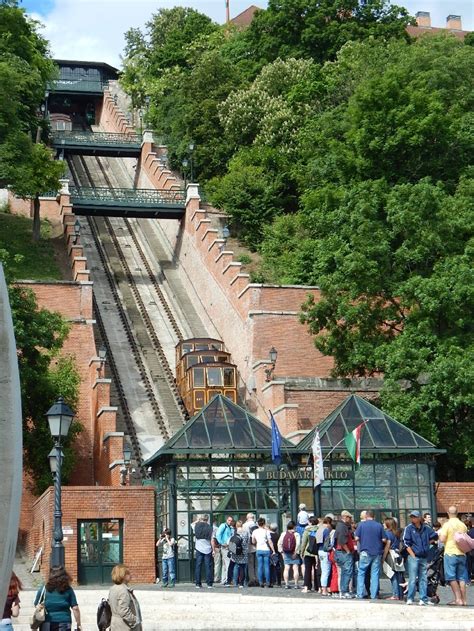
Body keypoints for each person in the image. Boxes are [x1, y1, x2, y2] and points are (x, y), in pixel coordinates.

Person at [403, 509, 437, 605]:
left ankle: (423, 598)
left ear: (419, 518)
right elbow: (406, 543)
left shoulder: (426, 528)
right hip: (415, 556)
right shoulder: (409, 528)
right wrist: (412, 555)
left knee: (423, 578)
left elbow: (434, 536)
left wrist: (427, 544)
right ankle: (410, 598)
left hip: (423, 556)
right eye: (412, 517)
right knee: (413, 578)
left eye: (414, 517)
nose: (412, 518)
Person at [34, 566, 82, 631]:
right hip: (64, 622)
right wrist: (78, 624)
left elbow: (36, 604)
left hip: (46, 622)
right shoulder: (68, 589)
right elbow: (75, 608)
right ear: (65, 577)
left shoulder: (44, 589)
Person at [354, 509, 388, 600]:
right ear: (374, 516)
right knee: (375, 574)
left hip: (365, 551)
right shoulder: (379, 525)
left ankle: (360, 594)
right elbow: (384, 539)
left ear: (366, 516)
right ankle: (374, 595)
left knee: (361, 573)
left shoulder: (361, 525)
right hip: (377, 552)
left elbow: (356, 538)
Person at [438, 505, 468, 606]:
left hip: (450, 552)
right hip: (462, 553)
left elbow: (442, 539)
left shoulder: (447, 525)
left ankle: (458, 599)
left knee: (451, 577)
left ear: (448, 513)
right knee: (462, 578)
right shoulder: (463, 525)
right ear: (457, 513)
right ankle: (464, 600)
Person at [109, 564, 142, 630]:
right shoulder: (123, 590)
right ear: (122, 575)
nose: (130, 575)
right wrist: (135, 620)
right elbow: (123, 611)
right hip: (124, 626)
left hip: (115, 624)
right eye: (128, 573)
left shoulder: (113, 588)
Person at [334, 510, 355, 598]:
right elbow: (342, 541)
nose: (351, 520)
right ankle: (344, 591)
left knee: (343, 572)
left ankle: (343, 591)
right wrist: (348, 551)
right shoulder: (342, 527)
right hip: (343, 553)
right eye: (350, 518)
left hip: (340, 552)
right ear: (345, 517)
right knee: (347, 572)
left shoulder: (340, 526)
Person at [383, 517, 404, 600]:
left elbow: (388, 545)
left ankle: (395, 594)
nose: (383, 524)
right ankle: (399, 594)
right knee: (398, 575)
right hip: (397, 554)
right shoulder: (396, 533)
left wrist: (383, 557)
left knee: (392, 575)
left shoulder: (387, 533)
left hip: (390, 554)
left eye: (384, 523)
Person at [252, 517, 276, 588]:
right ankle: (268, 582)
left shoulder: (255, 531)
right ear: (264, 523)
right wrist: (273, 550)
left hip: (259, 549)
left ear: (258, 524)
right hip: (266, 550)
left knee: (260, 566)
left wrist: (256, 542)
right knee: (266, 566)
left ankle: (261, 582)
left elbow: (253, 541)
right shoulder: (266, 531)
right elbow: (270, 542)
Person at [277, 520, 301, 589]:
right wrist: (295, 552)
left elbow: (279, 543)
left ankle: (287, 584)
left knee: (286, 568)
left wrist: (282, 553)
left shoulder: (283, 533)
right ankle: (296, 584)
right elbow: (298, 544)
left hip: (286, 553)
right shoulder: (296, 534)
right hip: (294, 553)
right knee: (295, 568)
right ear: (294, 527)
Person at [192, 515, 214, 589]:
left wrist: (198, 520)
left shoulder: (196, 526)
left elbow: (191, 524)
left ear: (201, 519)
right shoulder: (210, 528)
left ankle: (198, 584)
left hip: (199, 548)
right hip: (207, 549)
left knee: (198, 566)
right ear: (207, 519)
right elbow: (212, 540)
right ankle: (209, 584)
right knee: (208, 566)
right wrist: (213, 550)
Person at [300, 516, 320, 593]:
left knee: (307, 570)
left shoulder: (307, 530)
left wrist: (302, 552)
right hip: (316, 553)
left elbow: (304, 542)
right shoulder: (319, 530)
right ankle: (317, 587)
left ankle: (307, 587)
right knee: (316, 570)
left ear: (310, 522)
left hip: (308, 552)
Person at [228, 521, 249, 588]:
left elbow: (230, 542)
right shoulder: (246, 533)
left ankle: (234, 581)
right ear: (242, 525)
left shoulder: (234, 532)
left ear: (236, 526)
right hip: (243, 552)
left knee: (234, 566)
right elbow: (248, 541)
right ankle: (241, 583)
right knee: (242, 568)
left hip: (235, 552)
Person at [214, 516, 235, 585]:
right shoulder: (223, 526)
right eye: (229, 520)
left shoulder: (231, 528)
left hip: (230, 546)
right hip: (225, 547)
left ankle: (224, 580)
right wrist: (222, 543)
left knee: (224, 564)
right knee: (227, 563)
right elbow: (218, 534)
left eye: (231, 521)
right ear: (226, 520)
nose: (230, 522)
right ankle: (227, 580)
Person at [318, 516, 333, 596]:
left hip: (319, 551)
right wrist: (331, 547)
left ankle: (322, 589)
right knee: (326, 571)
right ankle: (325, 590)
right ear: (328, 523)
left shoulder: (319, 530)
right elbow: (327, 544)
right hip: (325, 551)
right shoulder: (326, 530)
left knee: (323, 570)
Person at [242, 513, 258, 586]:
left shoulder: (245, 525)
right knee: (257, 565)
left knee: (250, 565)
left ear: (247, 518)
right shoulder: (256, 524)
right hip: (256, 547)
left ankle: (252, 580)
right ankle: (257, 579)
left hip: (248, 547)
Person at [269, 523, 281, 587]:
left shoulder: (268, 535)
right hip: (276, 552)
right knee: (277, 567)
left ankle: (271, 581)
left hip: (269, 552)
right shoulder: (277, 535)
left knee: (270, 567)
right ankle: (279, 582)